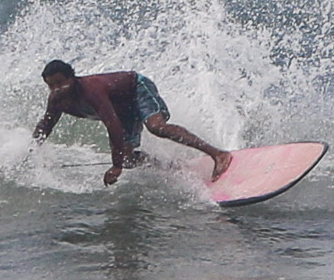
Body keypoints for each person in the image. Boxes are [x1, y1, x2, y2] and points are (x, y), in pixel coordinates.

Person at [31, 60, 232, 186]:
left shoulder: (91, 91)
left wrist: (115, 166)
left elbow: (112, 125)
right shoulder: (57, 100)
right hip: (123, 107)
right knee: (127, 159)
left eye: (61, 82)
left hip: (136, 88)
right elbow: (46, 124)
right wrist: (33, 149)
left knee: (156, 127)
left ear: (72, 78)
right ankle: (174, 167)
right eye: (52, 86)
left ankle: (218, 154)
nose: (57, 88)